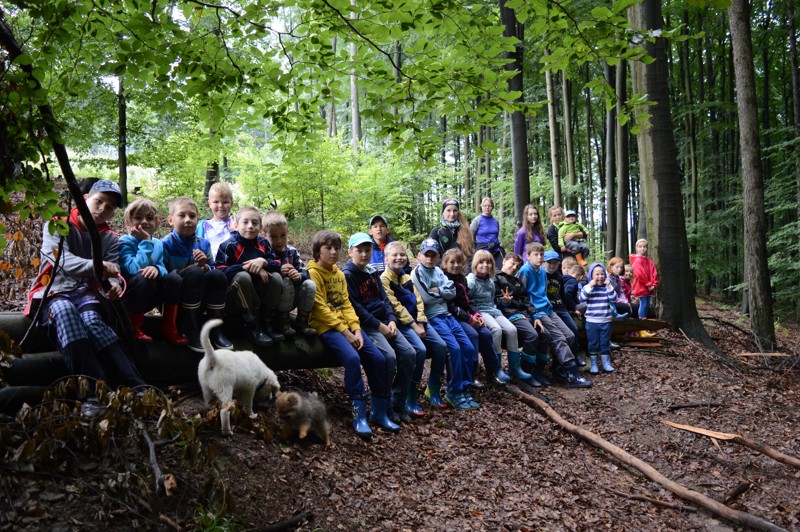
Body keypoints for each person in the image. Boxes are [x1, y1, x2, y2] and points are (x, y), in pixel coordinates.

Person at [25, 180, 145, 417]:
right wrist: (98, 266)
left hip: (88, 295)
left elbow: (115, 273)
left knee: (92, 321)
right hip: (54, 292)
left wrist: (115, 286)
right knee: (65, 313)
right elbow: (62, 261)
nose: (102, 209)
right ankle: (92, 393)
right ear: (85, 198)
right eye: (99, 201)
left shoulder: (109, 238)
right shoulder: (58, 224)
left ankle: (137, 386)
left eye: (109, 207)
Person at [307, 230, 398, 438]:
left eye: (336, 248)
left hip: (348, 326)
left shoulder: (339, 275)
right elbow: (320, 308)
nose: (333, 252)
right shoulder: (313, 273)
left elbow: (347, 305)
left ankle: (379, 411)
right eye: (328, 248)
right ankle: (359, 414)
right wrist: (347, 333)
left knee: (377, 358)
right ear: (318, 251)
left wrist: (356, 329)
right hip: (327, 327)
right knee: (352, 358)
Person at [343, 232, 416, 425]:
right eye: (359, 251)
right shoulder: (348, 275)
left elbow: (384, 299)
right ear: (350, 252)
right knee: (389, 357)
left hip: (386, 322)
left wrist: (391, 319)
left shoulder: (372, 271)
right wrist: (379, 325)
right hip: (368, 326)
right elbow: (356, 308)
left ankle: (398, 400)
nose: (364, 254)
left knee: (409, 353)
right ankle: (383, 406)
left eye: (367, 250)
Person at [381, 240, 448, 419]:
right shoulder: (384, 279)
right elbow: (395, 306)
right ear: (386, 259)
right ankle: (409, 396)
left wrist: (422, 322)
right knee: (420, 350)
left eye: (402, 254)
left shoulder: (407, 277)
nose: (399, 258)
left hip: (418, 321)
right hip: (402, 324)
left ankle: (433, 390)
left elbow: (418, 301)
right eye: (394, 255)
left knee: (441, 346)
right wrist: (414, 326)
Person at [411, 238, 476, 410]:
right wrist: (443, 293)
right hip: (433, 317)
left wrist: (438, 290)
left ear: (438, 257)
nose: (429, 258)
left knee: (468, 347)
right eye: (426, 255)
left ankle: (464, 388)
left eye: (433, 255)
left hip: (447, 315)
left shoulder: (439, 271)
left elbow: (452, 291)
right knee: (454, 349)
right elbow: (426, 297)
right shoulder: (417, 273)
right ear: (419, 255)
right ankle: (453, 391)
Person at [161, 197, 232, 351]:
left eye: (192, 216)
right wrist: (193, 268)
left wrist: (205, 266)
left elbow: (213, 268)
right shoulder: (166, 244)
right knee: (194, 272)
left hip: (200, 296)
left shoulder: (203, 244)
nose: (188, 220)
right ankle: (190, 328)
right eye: (182, 215)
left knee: (218, 275)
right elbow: (165, 276)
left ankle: (215, 328)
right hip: (176, 300)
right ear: (171, 220)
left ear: (197, 220)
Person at [517, 242, 592, 388]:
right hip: (536, 311)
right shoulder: (525, 271)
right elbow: (521, 295)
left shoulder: (542, 271)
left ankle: (558, 370)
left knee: (570, 336)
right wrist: (531, 314)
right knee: (559, 338)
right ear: (528, 256)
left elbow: (544, 293)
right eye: (536, 255)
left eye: (541, 254)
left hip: (548, 309)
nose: (539, 257)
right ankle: (573, 375)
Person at [215, 206, 283, 347]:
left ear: (261, 227)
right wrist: (245, 267)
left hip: (259, 293)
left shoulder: (264, 244)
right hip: (235, 298)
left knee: (276, 277)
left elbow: (278, 263)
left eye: (254, 223)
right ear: (236, 225)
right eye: (245, 222)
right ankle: (252, 325)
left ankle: (267, 323)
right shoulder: (229, 246)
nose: (250, 226)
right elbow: (219, 271)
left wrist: (263, 262)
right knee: (243, 276)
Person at [440, 248, 505, 396]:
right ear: (444, 264)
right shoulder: (443, 279)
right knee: (473, 335)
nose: (456, 265)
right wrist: (469, 318)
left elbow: (468, 301)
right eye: (452, 262)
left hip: (467, 315)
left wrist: (476, 314)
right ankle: (471, 373)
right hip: (454, 317)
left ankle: (492, 371)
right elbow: (449, 305)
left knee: (486, 334)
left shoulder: (462, 279)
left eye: (458, 262)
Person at [495, 252, 553, 386]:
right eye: (512, 263)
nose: (514, 267)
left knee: (545, 335)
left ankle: (537, 372)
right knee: (532, 335)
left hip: (523, 315)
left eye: (517, 266)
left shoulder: (517, 282)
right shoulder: (496, 279)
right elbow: (494, 302)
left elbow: (526, 301)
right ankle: (524, 373)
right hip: (509, 315)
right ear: (504, 261)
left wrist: (536, 316)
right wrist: (504, 302)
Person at [118, 198, 168, 343]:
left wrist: (156, 268)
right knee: (144, 277)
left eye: (150, 218)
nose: (144, 221)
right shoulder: (125, 241)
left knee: (171, 279)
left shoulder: (158, 243)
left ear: (157, 223)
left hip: (148, 295)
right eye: (138, 218)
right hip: (128, 293)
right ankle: (132, 326)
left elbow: (163, 267)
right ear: (128, 223)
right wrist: (146, 241)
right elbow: (133, 269)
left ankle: (170, 324)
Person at [262, 211, 317, 338]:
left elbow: (305, 272)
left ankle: (301, 322)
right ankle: (283, 323)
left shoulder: (292, 252)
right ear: (264, 235)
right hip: (272, 301)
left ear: (287, 232)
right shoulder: (264, 252)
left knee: (310, 284)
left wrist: (298, 277)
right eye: (273, 236)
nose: (279, 241)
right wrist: (279, 272)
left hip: (292, 298)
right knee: (285, 282)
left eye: (283, 235)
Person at [466, 250, 514, 384]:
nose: (485, 265)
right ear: (475, 264)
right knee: (496, 330)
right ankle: (495, 368)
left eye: (488, 262)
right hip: (480, 311)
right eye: (481, 262)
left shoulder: (491, 282)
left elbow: (492, 301)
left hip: (493, 310)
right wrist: (474, 315)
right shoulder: (470, 281)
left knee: (512, 330)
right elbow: (469, 302)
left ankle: (514, 367)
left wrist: (504, 302)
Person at [542, 250, 585, 366]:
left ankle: (574, 354)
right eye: (549, 262)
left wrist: (572, 309)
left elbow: (563, 295)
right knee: (557, 335)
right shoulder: (541, 275)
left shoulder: (559, 277)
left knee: (574, 330)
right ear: (544, 263)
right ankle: (557, 360)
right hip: (549, 309)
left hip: (561, 308)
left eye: (555, 263)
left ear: (558, 264)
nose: (552, 265)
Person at [580, 262, 617, 374]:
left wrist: (609, 286)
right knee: (593, 343)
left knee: (605, 342)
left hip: (606, 320)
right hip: (591, 321)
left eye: (602, 274)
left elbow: (614, 298)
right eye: (597, 274)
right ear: (591, 276)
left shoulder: (607, 288)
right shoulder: (588, 287)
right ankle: (594, 364)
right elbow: (582, 298)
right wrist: (590, 285)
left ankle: (606, 363)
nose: (600, 276)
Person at [196, 181, 235, 259]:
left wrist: (235, 231)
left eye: (225, 202)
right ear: (209, 203)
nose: (220, 205)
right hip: (207, 264)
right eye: (216, 202)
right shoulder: (202, 226)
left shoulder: (236, 223)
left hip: (231, 264)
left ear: (231, 203)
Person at [470, 197, 504, 268]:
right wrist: (474, 251)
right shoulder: (477, 220)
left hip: (495, 250)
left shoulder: (495, 221)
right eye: (485, 205)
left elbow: (496, 235)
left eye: (489, 206)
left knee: (501, 269)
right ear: (481, 207)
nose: (487, 207)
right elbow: (470, 237)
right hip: (482, 251)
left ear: (492, 207)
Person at [630, 239, 658, 319]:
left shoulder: (648, 261)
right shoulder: (637, 261)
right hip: (641, 286)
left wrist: (654, 284)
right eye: (640, 247)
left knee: (647, 304)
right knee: (644, 303)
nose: (642, 249)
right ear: (636, 248)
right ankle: (641, 319)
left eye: (644, 247)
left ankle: (644, 318)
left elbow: (653, 272)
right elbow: (640, 274)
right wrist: (648, 284)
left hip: (649, 286)